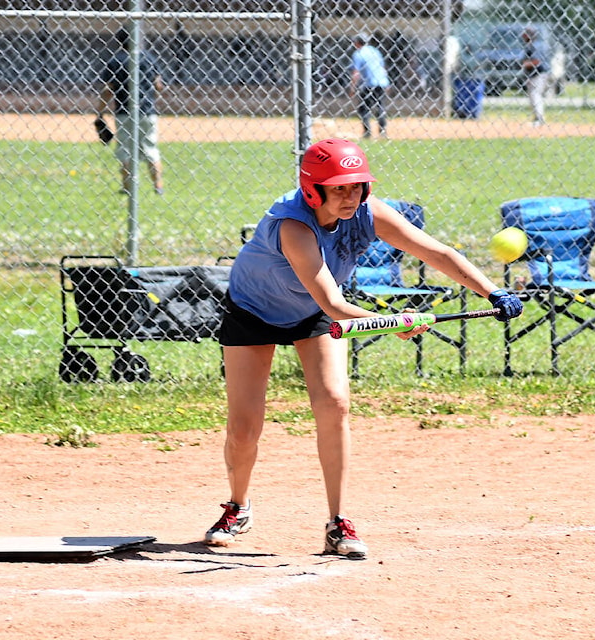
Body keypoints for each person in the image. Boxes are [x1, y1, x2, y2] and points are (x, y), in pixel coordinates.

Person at [203, 138, 524, 559]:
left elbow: (436, 252)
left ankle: (338, 522)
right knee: (244, 428)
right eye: (338, 188)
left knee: (335, 403)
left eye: (356, 187)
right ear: (313, 189)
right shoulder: (292, 226)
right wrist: (394, 322)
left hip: (309, 313)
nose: (350, 196)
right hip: (254, 309)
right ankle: (237, 506)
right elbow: (333, 304)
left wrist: (492, 291)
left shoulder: (368, 213)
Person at [98, 27, 164, 195]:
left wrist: (100, 111)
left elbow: (108, 90)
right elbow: (158, 85)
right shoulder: (148, 58)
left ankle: (128, 187)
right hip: (147, 111)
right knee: (150, 148)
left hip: (124, 111)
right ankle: (158, 186)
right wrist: (148, 94)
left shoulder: (115, 61)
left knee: (125, 150)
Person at [349, 33, 390, 139]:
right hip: (381, 82)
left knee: (364, 108)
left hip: (368, 84)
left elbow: (356, 72)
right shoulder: (375, 51)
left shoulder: (358, 53)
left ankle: (367, 132)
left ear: (357, 43)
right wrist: (387, 83)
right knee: (380, 106)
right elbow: (382, 67)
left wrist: (352, 87)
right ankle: (383, 131)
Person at [520, 27, 551, 127]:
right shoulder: (532, 45)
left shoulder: (534, 46)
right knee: (533, 96)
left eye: (525, 34)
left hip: (538, 74)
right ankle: (537, 117)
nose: (523, 36)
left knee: (535, 95)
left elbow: (537, 61)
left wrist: (525, 64)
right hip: (535, 74)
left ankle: (539, 119)